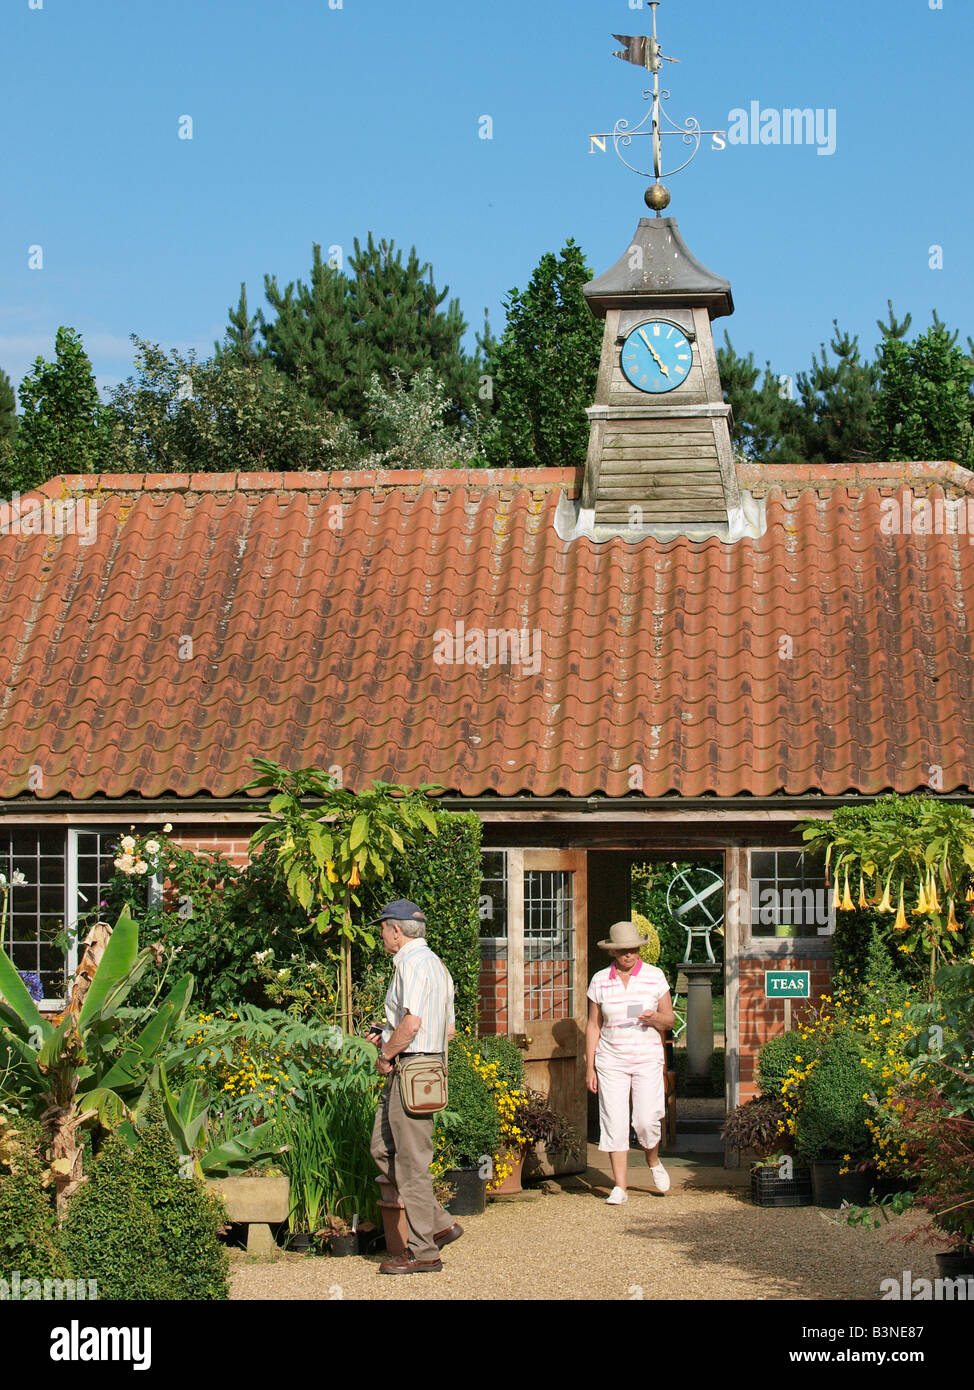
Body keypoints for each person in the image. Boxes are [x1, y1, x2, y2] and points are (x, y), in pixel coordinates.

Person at [367, 899, 462, 1274]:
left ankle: (424, 1252)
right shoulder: (437, 966)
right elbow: (448, 1028)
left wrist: (387, 1055)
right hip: (423, 1065)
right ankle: (438, 1223)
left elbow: (413, 1023)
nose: (381, 935)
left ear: (396, 930)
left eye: (383, 928)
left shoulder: (413, 964)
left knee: (412, 1163)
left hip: (412, 1068)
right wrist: (387, 1033)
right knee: (381, 1148)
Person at [586, 920, 675, 1204]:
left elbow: (669, 1020)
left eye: (634, 949)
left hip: (647, 1058)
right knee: (614, 1120)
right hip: (610, 1059)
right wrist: (590, 1066)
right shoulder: (600, 980)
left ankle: (652, 1159)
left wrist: (654, 1018)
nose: (630, 955)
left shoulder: (655, 976)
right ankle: (620, 1187)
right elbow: (593, 1025)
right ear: (613, 952)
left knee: (646, 1120)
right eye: (624, 950)